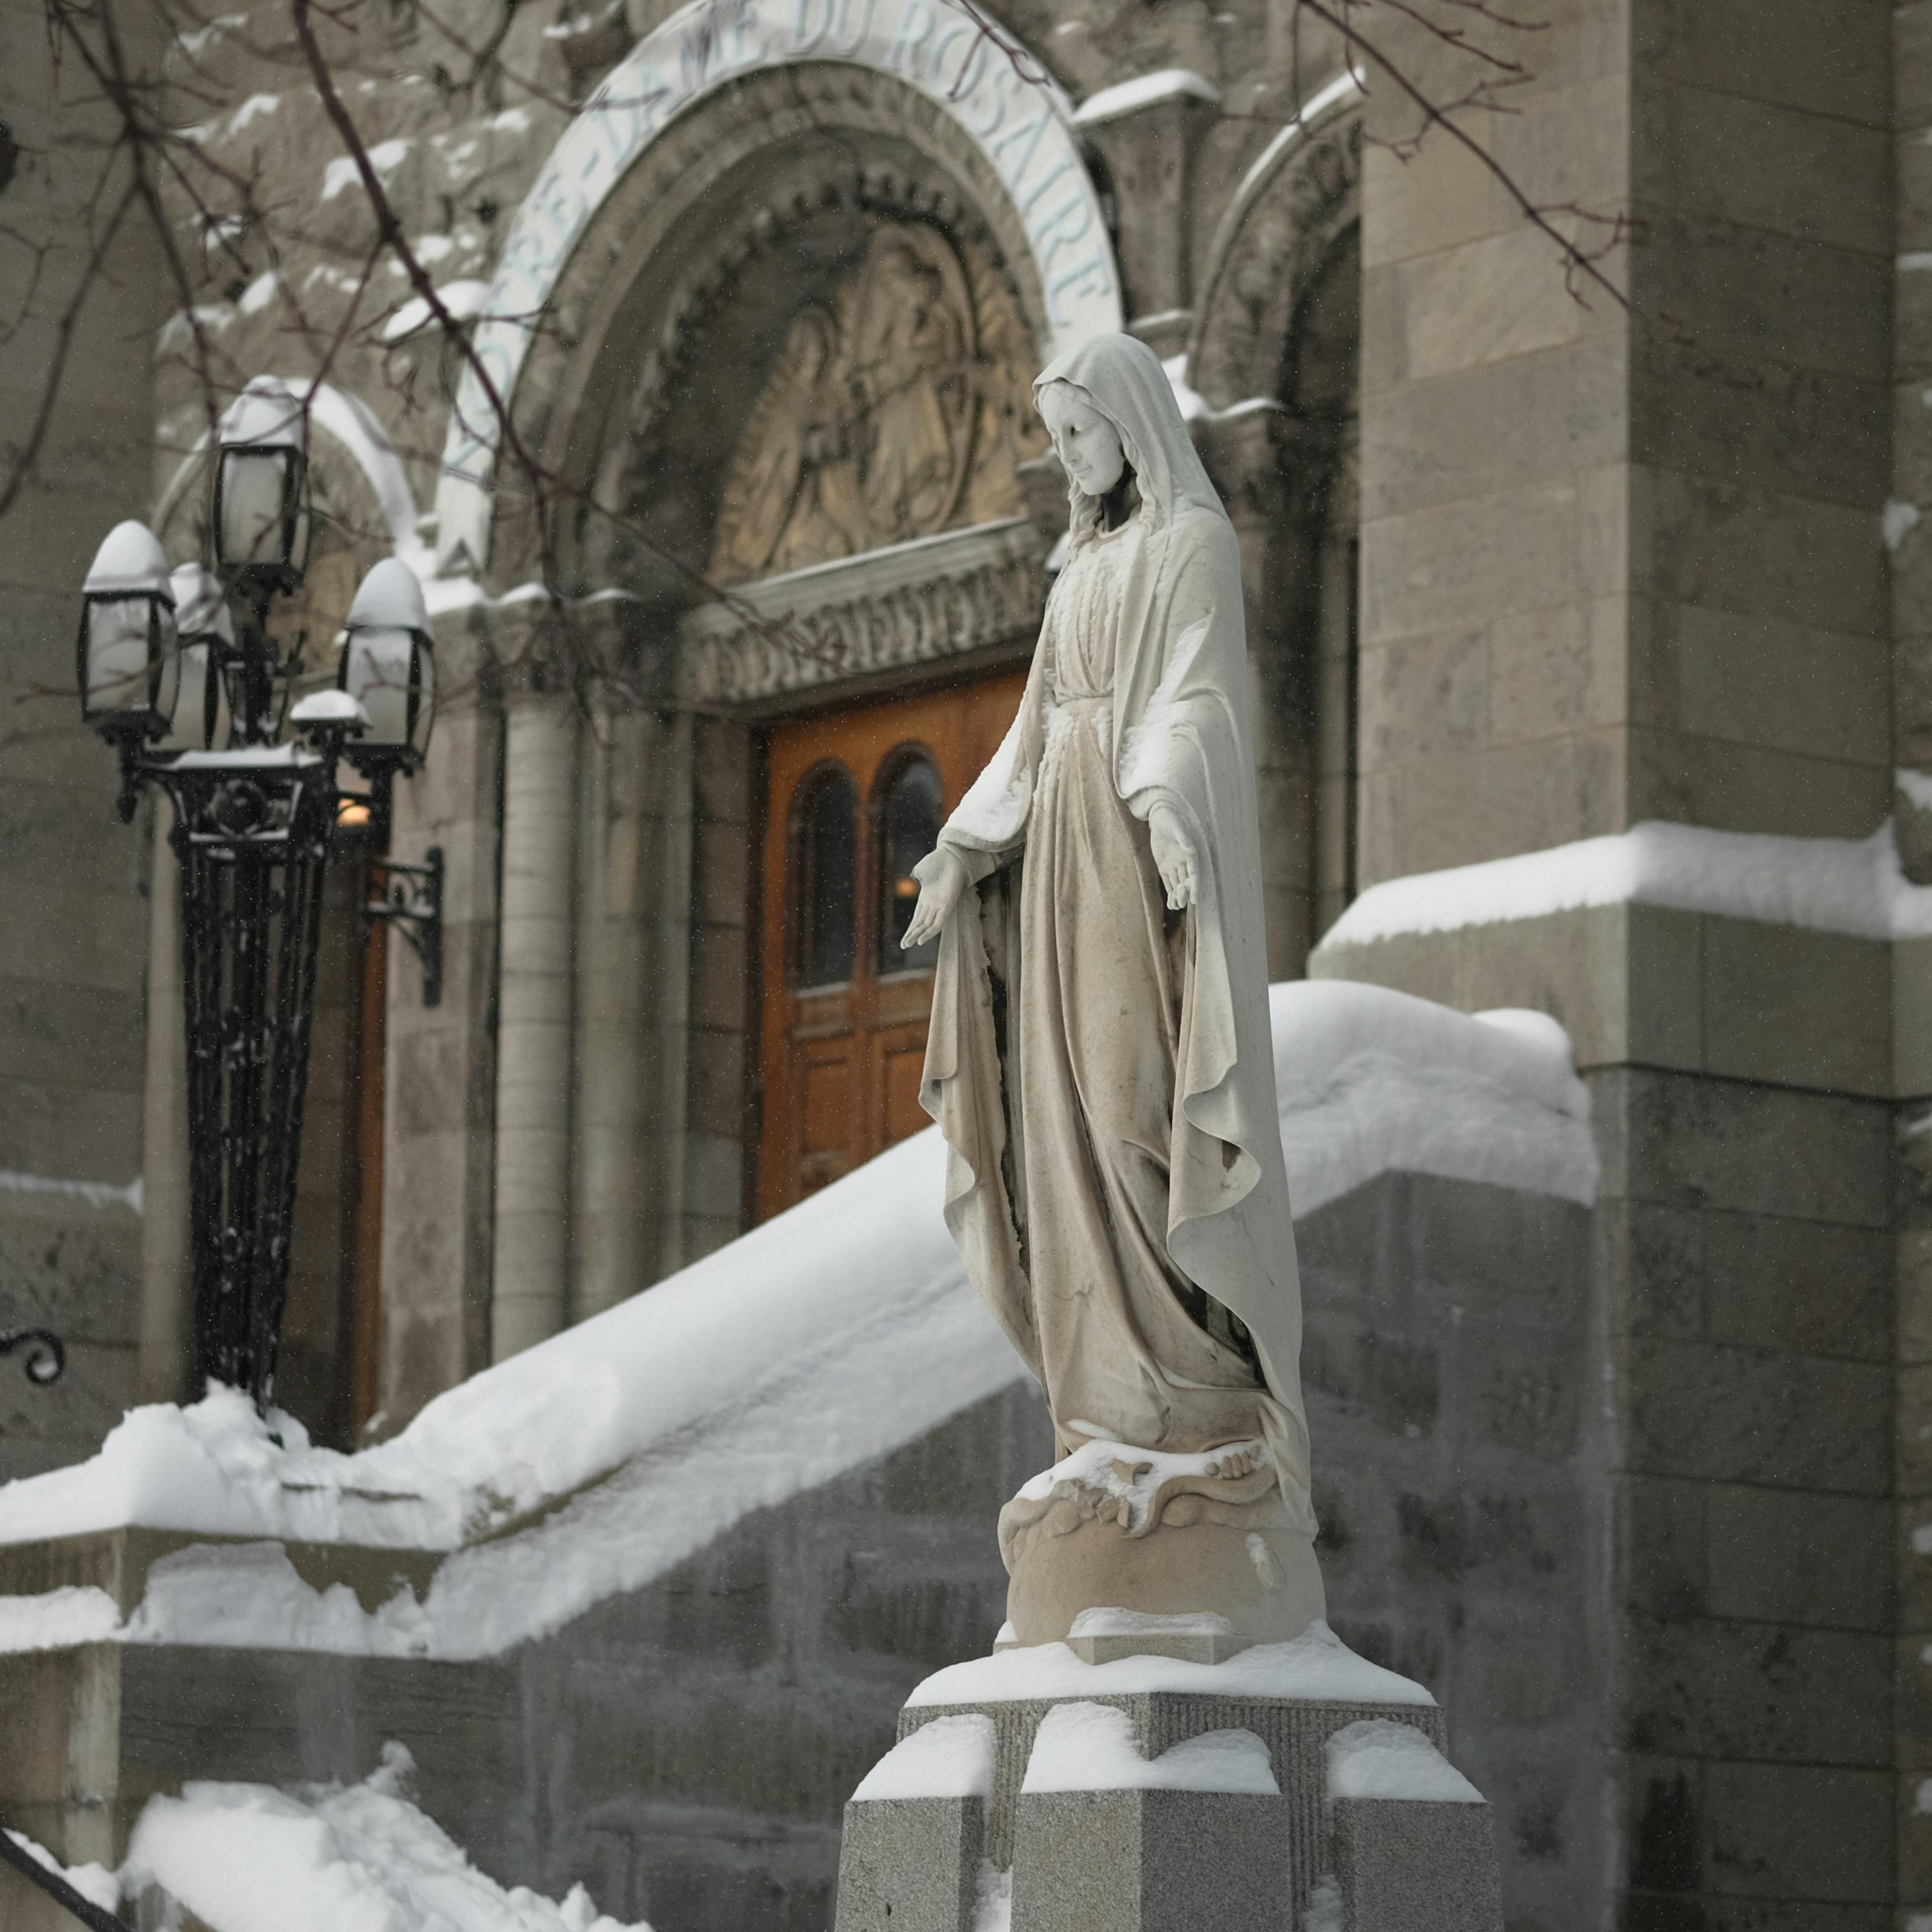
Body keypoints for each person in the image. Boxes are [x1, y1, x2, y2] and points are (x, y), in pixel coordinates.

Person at [901, 330, 1322, 1648]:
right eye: (1058, 438)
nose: (1069, 459)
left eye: (1082, 433)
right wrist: (966, 844)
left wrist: (1166, 804)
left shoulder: (1189, 546)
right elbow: (1033, 728)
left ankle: (1193, 1390)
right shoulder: (1078, 563)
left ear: (1135, 424)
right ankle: (1109, 1407)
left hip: (1135, 854)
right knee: (1066, 1122)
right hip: (1058, 854)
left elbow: (1193, 700)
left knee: (1138, 1102)